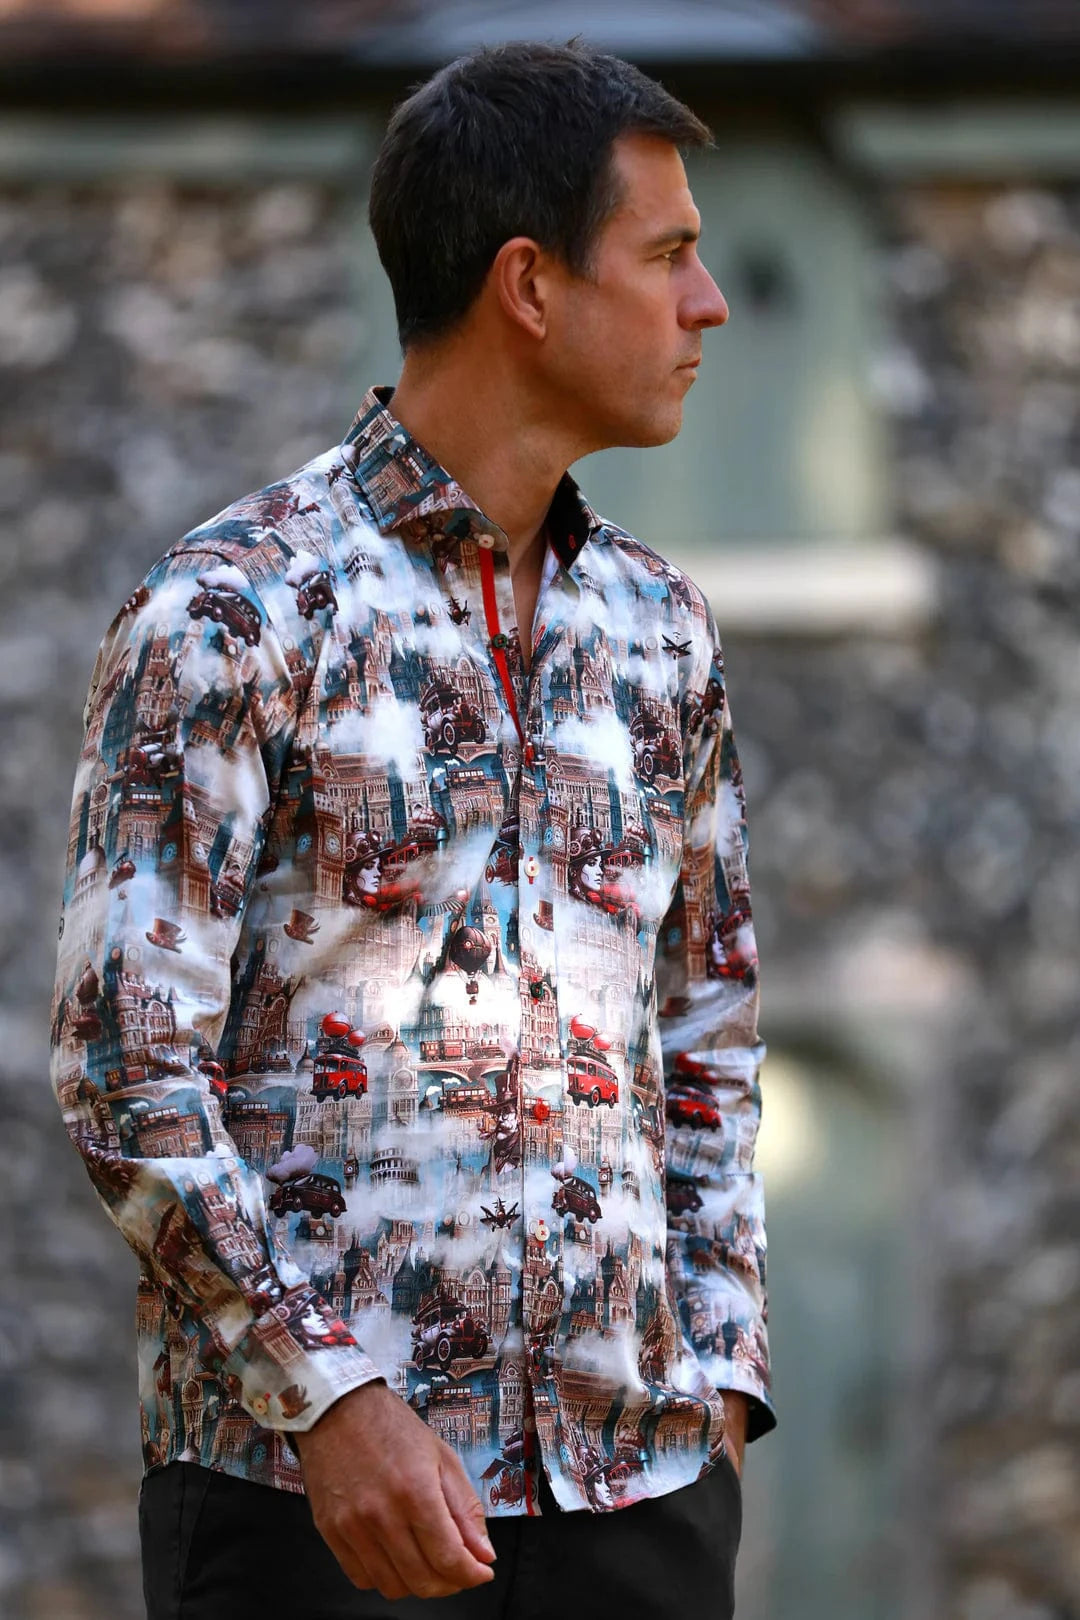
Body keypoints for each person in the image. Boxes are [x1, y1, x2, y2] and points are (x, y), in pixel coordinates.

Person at [49, 38, 775, 1620]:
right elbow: (124, 1062)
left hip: (635, 1499)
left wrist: (718, 1373)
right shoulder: (230, 612)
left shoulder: (665, 632)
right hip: (312, 1512)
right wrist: (331, 1399)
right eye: (668, 255)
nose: (709, 304)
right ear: (529, 285)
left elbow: (706, 1025)